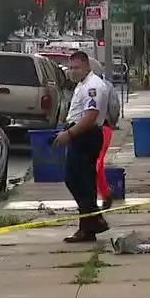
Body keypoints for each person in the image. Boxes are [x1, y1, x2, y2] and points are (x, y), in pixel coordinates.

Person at [54, 51, 111, 243]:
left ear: (87, 66)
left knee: (77, 179)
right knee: (81, 181)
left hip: (86, 135)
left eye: (76, 67)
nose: (72, 72)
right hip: (80, 134)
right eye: (70, 68)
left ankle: (93, 221)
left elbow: (90, 117)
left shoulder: (93, 86)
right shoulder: (83, 85)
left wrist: (69, 134)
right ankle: (89, 226)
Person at [96, 73, 122, 210]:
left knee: (96, 163)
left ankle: (105, 194)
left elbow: (114, 106)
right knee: (97, 163)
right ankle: (104, 193)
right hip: (103, 126)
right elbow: (114, 106)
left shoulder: (85, 86)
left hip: (100, 127)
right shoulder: (107, 85)